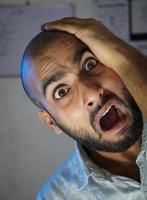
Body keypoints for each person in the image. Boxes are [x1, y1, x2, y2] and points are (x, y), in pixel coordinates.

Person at [21, 18, 147, 200]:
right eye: (61, 91)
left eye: (90, 64)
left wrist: (118, 47)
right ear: (51, 121)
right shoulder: (56, 197)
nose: (93, 94)